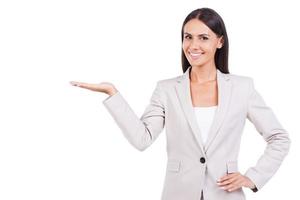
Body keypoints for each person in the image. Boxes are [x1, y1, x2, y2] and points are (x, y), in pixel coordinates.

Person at [70, 7, 290, 200]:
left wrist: (252, 178)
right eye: (188, 37)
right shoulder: (166, 89)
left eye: (203, 38)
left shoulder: (242, 88)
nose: (193, 45)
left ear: (220, 41)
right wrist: (113, 94)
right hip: (178, 194)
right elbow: (142, 139)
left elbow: (279, 138)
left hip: (225, 194)